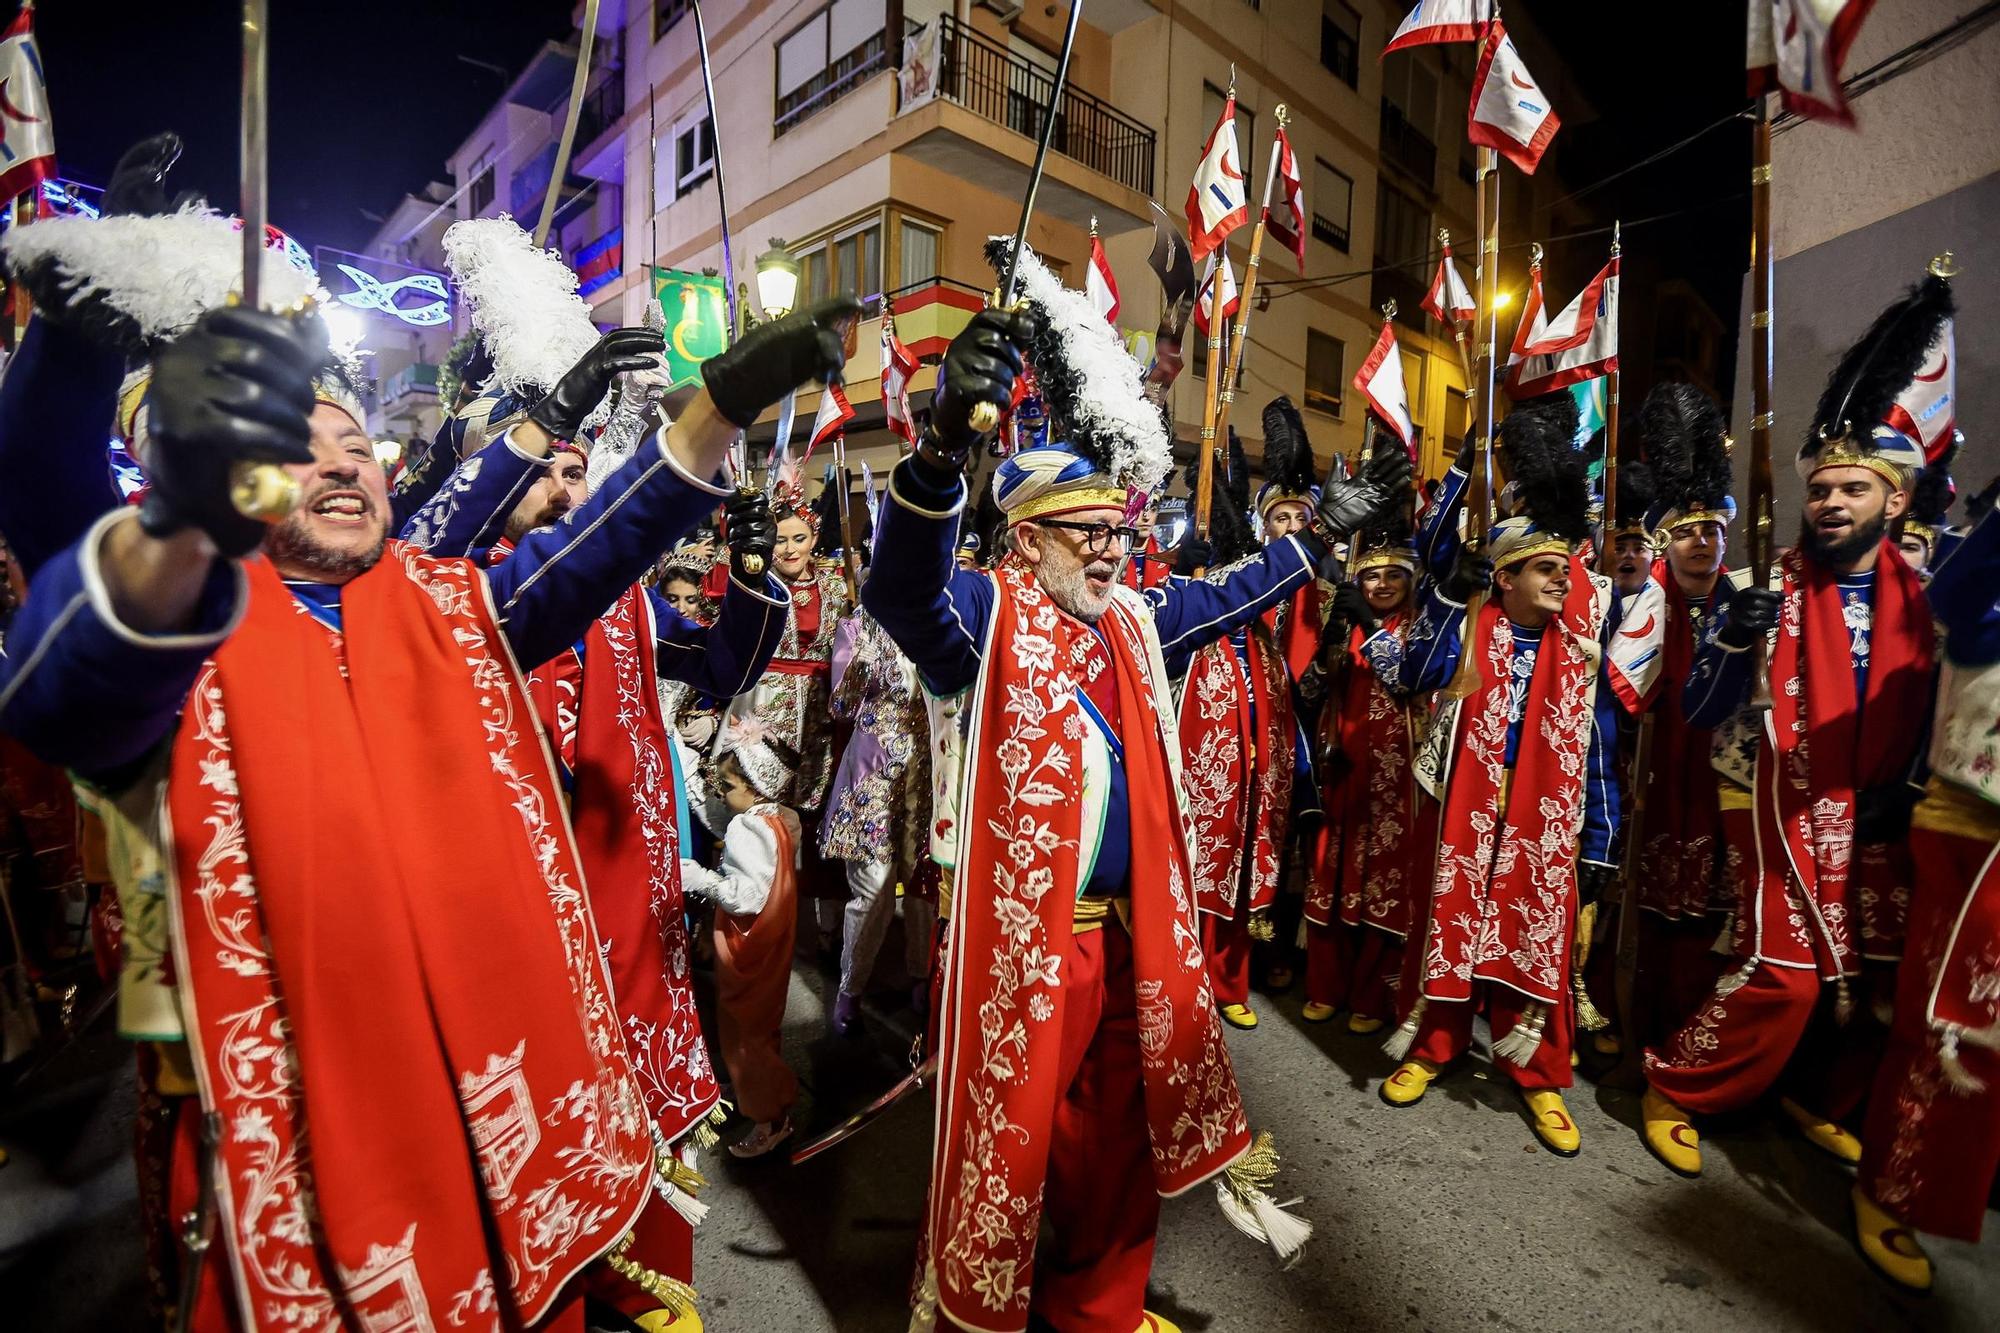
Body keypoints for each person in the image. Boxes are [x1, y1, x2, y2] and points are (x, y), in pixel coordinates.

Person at [0, 289, 851, 1329]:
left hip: (497, 1103)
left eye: (355, 445)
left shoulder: (455, 609)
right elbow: (45, 520)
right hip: (305, 1146)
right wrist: (75, 333)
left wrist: (718, 407)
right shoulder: (176, 642)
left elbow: (607, 541)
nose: (341, 463)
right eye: (295, 448)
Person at [863, 242, 1406, 1333]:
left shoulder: (1128, 621)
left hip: (1129, 939)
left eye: (1120, 531)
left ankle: (1099, 1308)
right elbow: (898, 589)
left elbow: (1223, 595)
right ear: (1026, 536)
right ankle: (985, 1307)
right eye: (1088, 532)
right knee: (1010, 1143)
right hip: (1025, 943)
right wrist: (930, 459)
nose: (1114, 551)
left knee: (1119, 1135)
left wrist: (1311, 546)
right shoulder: (983, 615)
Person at [1640, 270, 1949, 1180]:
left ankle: (1820, 1101)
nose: (1830, 502)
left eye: (1853, 487)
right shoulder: (1756, 590)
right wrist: (1734, 645)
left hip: (1886, 813)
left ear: (1894, 501)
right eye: (1820, 488)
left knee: (1879, 984)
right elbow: (1696, 713)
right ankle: (1681, 1083)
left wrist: (1914, 790)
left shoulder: (1925, 601)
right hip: (1779, 807)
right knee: (1790, 972)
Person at [1379, 394, 1620, 1158]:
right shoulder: (1471, 623)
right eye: (1549, 570)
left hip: (1540, 807)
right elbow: (1412, 670)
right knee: (1451, 918)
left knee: (1533, 929)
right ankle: (1435, 1043)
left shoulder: (1579, 647)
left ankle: (1539, 1070)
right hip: (1463, 801)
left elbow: (1601, 739)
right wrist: (1450, 592)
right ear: (1508, 576)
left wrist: (1603, 834)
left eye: (1567, 569)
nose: (1564, 581)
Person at [1854, 490, 2000, 1292]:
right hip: (1973, 829)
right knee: (1950, 1027)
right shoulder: (1981, 584)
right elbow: (1950, 596)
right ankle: (1893, 1185)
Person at [1609, 385, 1742, 1051]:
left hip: (1722, 792)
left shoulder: (1745, 603)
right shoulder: (1648, 608)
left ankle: (1693, 1044)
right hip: (1658, 788)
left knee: (1711, 923)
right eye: (1685, 531)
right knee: (1649, 917)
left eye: (1710, 529)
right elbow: (1623, 694)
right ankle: (1637, 1030)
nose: (1698, 542)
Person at [1302, 522, 1422, 1032]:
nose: (1382, 584)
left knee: (1384, 884)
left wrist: (1371, 632)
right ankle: (1327, 986)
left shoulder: (1419, 628)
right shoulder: (1344, 621)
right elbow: (1307, 692)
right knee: (1331, 874)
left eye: (1394, 574)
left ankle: (1372, 997)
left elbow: (1408, 680)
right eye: (1371, 576)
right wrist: (1328, 649)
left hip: (1396, 779)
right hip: (1343, 770)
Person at [686, 721, 806, 1159]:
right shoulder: (780, 819)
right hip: (774, 942)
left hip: (748, 944)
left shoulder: (745, 830)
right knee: (760, 1027)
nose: (722, 792)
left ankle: (769, 1118)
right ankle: (761, 1098)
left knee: (745, 1034)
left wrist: (698, 877)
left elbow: (747, 896)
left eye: (728, 785)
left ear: (754, 786)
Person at [821, 605, 937, 1036]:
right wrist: (860, 666)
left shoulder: (939, 615)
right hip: (873, 776)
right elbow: (841, 704)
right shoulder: (858, 625)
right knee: (873, 892)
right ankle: (850, 989)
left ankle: (923, 978)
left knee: (925, 886)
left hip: (926, 775)